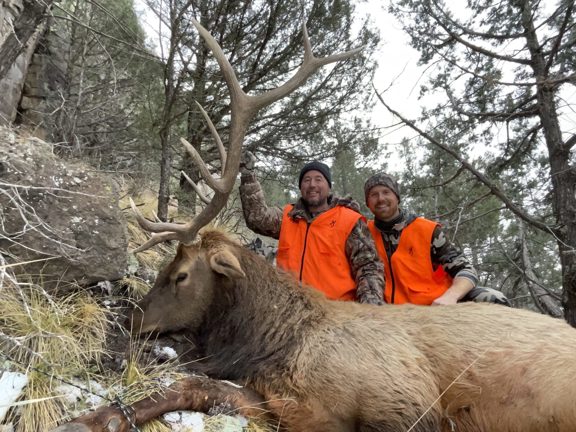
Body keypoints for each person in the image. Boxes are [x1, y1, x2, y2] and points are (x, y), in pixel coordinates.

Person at [239, 154, 384, 305]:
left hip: (335, 316)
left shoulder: (350, 221)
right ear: (301, 187)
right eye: (306, 180)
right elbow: (257, 218)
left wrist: (370, 308)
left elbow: (368, 268)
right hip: (289, 312)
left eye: (318, 179)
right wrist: (248, 175)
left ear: (328, 186)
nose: (312, 185)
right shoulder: (287, 217)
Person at [363, 172, 510, 306]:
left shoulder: (427, 230)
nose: (381, 199)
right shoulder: (362, 234)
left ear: (397, 197)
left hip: (434, 306)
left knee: (493, 297)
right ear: (367, 203)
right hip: (388, 311)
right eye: (374, 195)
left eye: (386, 192)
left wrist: (451, 296)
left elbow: (466, 269)